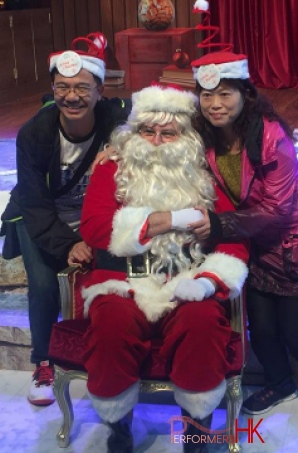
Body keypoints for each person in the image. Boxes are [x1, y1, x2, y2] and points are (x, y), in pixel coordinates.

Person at [77, 83, 249, 453]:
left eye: (168, 131)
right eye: (147, 130)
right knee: (110, 325)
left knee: (202, 323)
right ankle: (118, 426)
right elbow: (94, 229)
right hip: (123, 281)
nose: (156, 139)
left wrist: (207, 281)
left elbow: (233, 235)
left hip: (187, 277)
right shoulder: (112, 170)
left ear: (185, 135)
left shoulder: (206, 172)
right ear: (133, 132)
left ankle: (196, 429)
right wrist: (173, 218)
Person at [186, 50, 298, 428]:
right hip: (256, 244)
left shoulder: (273, 138)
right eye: (207, 95)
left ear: (246, 94)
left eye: (225, 94)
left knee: (296, 330)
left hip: (297, 246)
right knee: (261, 329)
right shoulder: (205, 134)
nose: (214, 104)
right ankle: (280, 383)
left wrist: (219, 225)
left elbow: (277, 211)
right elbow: (154, 125)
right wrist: (115, 148)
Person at [0, 32, 130, 406]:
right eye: (62, 87)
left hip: (93, 213)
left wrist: (120, 144)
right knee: (43, 285)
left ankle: (104, 348)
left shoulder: (116, 119)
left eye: (81, 87)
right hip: (39, 214)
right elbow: (34, 202)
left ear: (100, 88)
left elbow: (143, 114)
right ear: (53, 88)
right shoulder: (34, 134)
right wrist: (68, 243)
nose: (71, 96)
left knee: (114, 271)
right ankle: (42, 361)